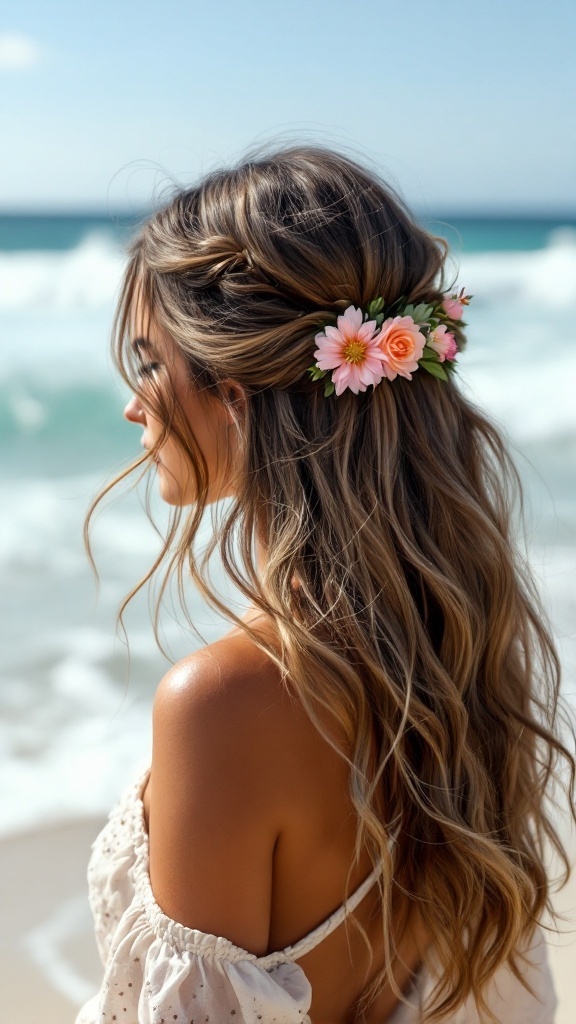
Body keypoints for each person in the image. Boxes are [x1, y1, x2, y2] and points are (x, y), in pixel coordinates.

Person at [78, 146, 574, 1023]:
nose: (133, 401)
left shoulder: (224, 703)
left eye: (152, 362)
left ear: (235, 395)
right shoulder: (459, 650)